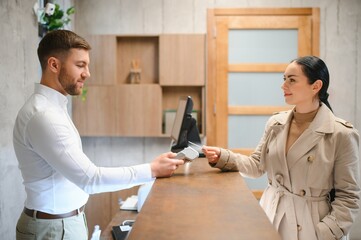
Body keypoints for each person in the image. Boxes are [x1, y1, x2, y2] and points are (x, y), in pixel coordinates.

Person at [13, 30, 184, 240]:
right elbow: (90, 179)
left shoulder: (53, 108)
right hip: (54, 229)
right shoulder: (43, 116)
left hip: (62, 224)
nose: (87, 73)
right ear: (54, 65)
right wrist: (151, 170)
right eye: (80, 65)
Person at [202, 56, 360, 240]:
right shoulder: (275, 123)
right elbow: (256, 165)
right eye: (284, 79)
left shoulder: (341, 134)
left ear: (316, 86)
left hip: (313, 225)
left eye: (292, 80)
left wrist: (326, 231)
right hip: (273, 214)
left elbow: (349, 197)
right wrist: (223, 156)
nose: (283, 86)